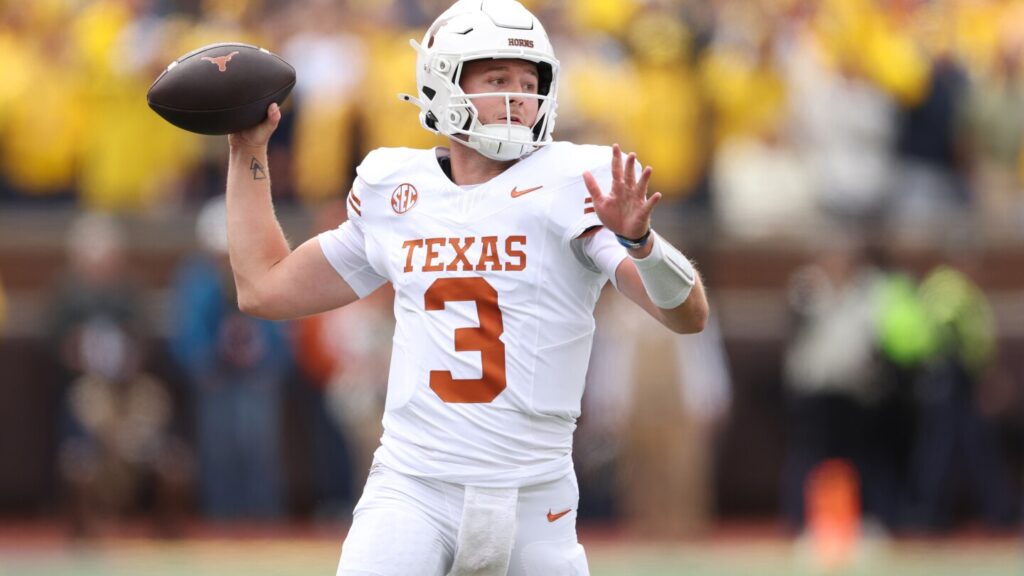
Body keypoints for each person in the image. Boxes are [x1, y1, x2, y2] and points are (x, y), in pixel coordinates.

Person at [224, 1, 708, 574]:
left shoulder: (570, 180)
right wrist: (248, 151)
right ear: (442, 80)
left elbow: (685, 313)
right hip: (414, 488)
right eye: (498, 78)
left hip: (536, 501)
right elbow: (265, 289)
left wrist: (642, 244)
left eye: (530, 82)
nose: (518, 96)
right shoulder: (394, 188)